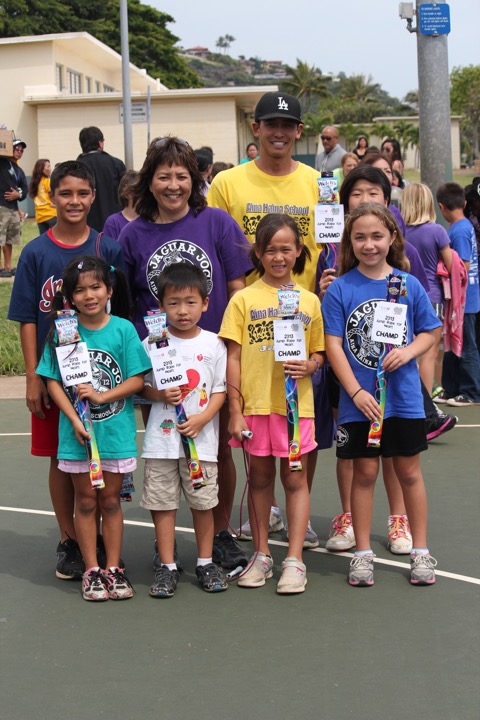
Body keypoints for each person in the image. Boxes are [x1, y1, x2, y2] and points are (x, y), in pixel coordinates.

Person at [117, 136, 253, 571]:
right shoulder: (132, 233)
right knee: (163, 450)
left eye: (181, 176)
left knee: (218, 451)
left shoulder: (216, 222)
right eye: (163, 176)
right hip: (156, 365)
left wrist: (234, 351)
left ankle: (222, 533)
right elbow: (126, 301)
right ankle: (168, 550)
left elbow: (236, 291)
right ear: (148, 182)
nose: (173, 185)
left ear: (194, 179)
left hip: (211, 357)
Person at [318, 165, 456, 554]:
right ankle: (360, 547)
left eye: (377, 236)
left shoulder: (406, 282)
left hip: (403, 399)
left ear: (392, 236)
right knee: (362, 470)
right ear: (349, 240)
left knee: (407, 469)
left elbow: (431, 331)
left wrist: (409, 351)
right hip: (357, 398)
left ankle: (414, 541)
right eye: (359, 237)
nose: (369, 244)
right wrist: (356, 390)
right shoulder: (341, 287)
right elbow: (332, 344)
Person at [208, 91, 324, 546]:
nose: (278, 132)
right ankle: (264, 520)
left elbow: (329, 245)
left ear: (299, 131)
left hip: (306, 323)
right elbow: (217, 251)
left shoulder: (318, 183)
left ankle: (299, 510)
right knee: (255, 429)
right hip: (251, 320)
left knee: (302, 423)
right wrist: (244, 296)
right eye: (269, 123)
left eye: (287, 124)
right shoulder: (228, 184)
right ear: (254, 129)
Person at [8, 160, 124, 580]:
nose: (74, 201)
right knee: (62, 458)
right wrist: (32, 377)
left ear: (93, 197)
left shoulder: (106, 248)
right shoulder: (37, 252)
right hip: (55, 381)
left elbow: (121, 316)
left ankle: (101, 542)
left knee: (107, 459)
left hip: (103, 378)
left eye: (82, 193)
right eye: (65, 193)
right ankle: (69, 539)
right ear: (50, 197)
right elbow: (25, 316)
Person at [219, 213, 325, 594]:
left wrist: (311, 364)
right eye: (270, 250)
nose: (278, 257)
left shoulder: (310, 300)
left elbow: (319, 354)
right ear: (257, 254)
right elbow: (232, 357)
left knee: (295, 481)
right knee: (260, 479)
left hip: (297, 409)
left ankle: (294, 559)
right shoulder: (242, 300)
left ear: (298, 251)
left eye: (286, 249)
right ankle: (262, 554)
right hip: (254, 407)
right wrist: (234, 410)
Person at [37, 255, 151, 601]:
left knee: (111, 501)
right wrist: (73, 418)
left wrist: (103, 396)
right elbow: (52, 380)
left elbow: (137, 379)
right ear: (70, 297)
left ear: (109, 289)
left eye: (96, 287)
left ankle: (113, 568)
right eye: (80, 290)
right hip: (77, 437)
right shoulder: (63, 331)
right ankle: (90, 570)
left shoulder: (123, 329)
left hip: (114, 434)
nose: (89, 295)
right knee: (85, 501)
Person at [141, 263, 228, 597]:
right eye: (173, 302)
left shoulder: (214, 343)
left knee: (203, 503)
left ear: (205, 303)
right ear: (161, 306)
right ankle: (167, 566)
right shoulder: (152, 342)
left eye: (191, 302)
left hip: (201, 443)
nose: (182, 310)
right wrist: (159, 394)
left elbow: (220, 391)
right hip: (160, 444)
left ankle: (205, 562)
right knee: (162, 504)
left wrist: (203, 419)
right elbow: (141, 386)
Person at [400, 183, 453, 395]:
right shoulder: (438, 231)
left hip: (407, 297)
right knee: (429, 354)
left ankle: (411, 398)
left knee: (409, 353)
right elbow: (452, 266)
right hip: (433, 297)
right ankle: (426, 405)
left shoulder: (401, 234)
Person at [436, 182, 480, 406]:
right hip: (462, 298)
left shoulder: (459, 230)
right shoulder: (462, 227)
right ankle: (451, 387)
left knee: (467, 346)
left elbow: (461, 266)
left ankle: (471, 391)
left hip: (465, 299)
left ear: (442, 207)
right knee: (454, 344)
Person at [77, 126, 126, 231]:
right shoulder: (117, 164)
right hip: (115, 225)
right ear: (100, 143)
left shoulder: (76, 167)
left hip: (86, 226)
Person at [0, 138, 28, 277]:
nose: (19, 151)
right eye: (17, 148)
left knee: (9, 240)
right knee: (0, 238)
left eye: (22, 150)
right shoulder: (2, 163)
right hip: (1, 206)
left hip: (13, 208)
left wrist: (19, 194)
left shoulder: (19, 170)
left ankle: (8, 267)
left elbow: (25, 189)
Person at [102, 170, 139, 240]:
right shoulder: (113, 222)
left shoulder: (150, 220)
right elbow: (109, 249)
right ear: (128, 193)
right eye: (140, 191)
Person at [29, 158, 57, 234]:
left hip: (39, 216)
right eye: (48, 166)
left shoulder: (34, 183)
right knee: (57, 238)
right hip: (51, 214)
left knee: (43, 240)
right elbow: (55, 195)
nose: (50, 169)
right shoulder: (48, 181)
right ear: (41, 169)